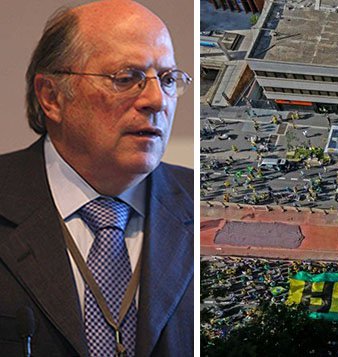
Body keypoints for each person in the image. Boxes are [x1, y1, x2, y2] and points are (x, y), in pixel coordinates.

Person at [0, 1, 193, 356]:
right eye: (126, 78)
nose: (156, 100)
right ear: (51, 97)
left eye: (167, 80)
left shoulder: (202, 210)